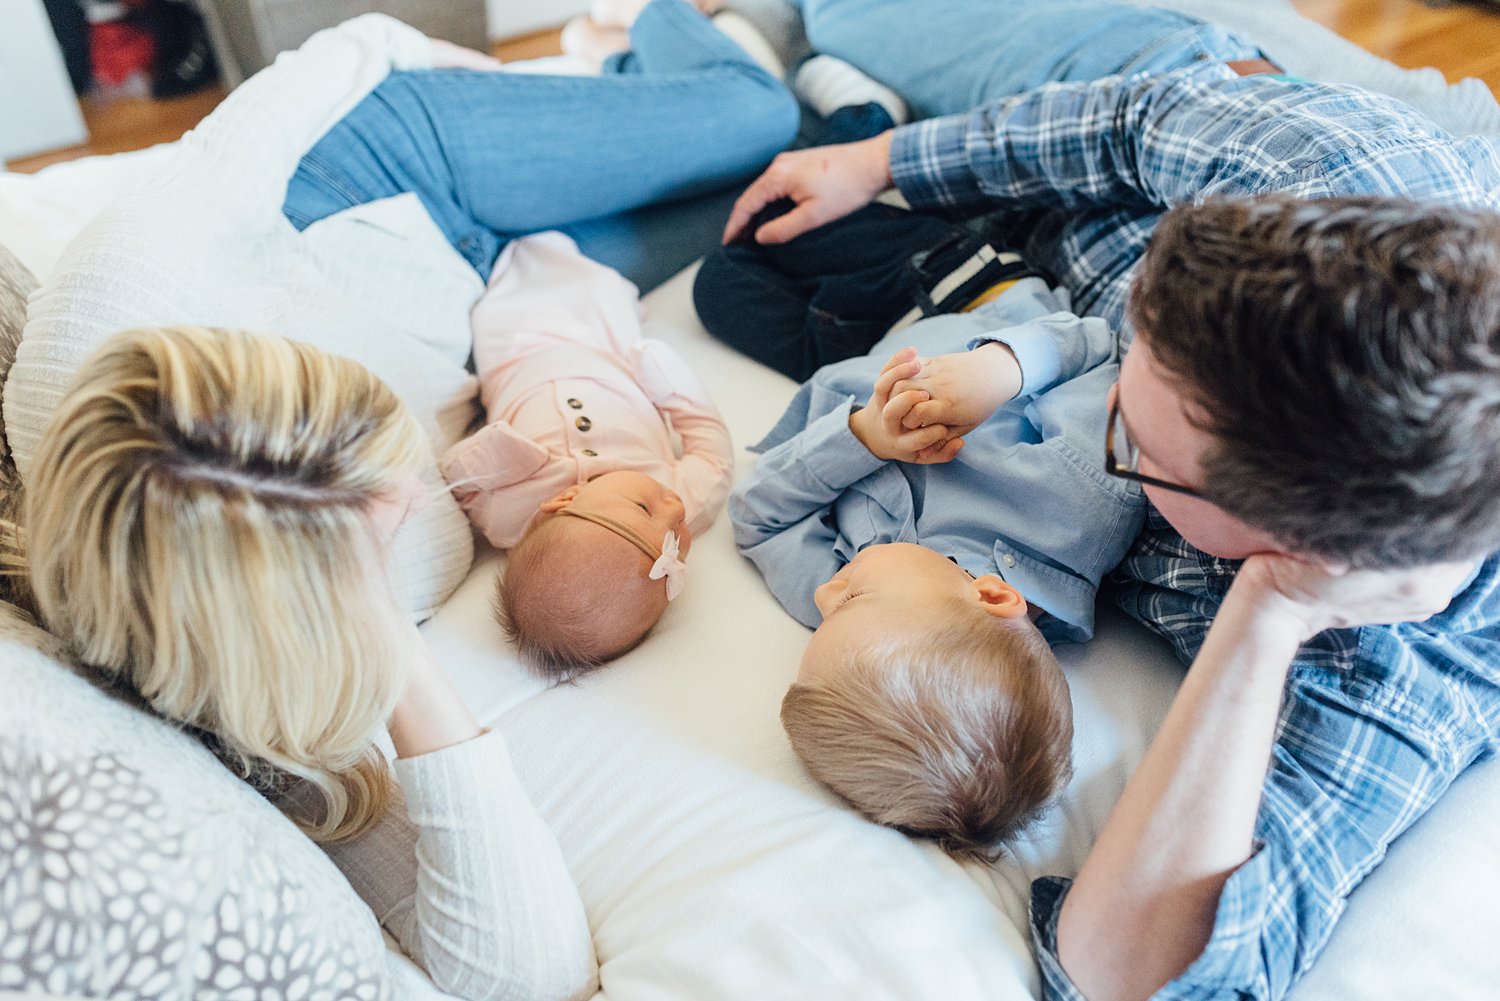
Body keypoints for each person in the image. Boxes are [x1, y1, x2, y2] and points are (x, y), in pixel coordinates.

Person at [721, 3, 1500, 1000]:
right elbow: (1131, 121)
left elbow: (1136, 976)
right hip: (1163, 89)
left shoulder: (1404, 647)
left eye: (1131, 438)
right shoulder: (1326, 181)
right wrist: (882, 164)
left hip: (1012, 264)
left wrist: (1270, 617)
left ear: (1296, 542)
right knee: (837, 14)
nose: (1105, 391)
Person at [21, 325, 598, 1000]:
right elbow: (534, 974)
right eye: (384, 539)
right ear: (289, 634)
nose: (417, 499)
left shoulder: (167, 443)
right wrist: (384, 627)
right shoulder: (253, 747)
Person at [729, 277, 1142, 858]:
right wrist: (996, 372)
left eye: (823, 621)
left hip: (844, 372)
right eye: (850, 601)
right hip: (962, 293)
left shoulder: (848, 622)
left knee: (724, 286)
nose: (824, 595)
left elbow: (756, 517)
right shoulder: (1079, 505)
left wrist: (864, 438)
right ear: (995, 597)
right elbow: (1101, 348)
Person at [440, 231, 733, 676]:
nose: (673, 511)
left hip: (515, 360)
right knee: (604, 291)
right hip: (608, 353)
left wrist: (501, 455)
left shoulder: (507, 516)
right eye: (679, 542)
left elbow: (456, 480)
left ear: (562, 503)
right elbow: (711, 449)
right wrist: (674, 390)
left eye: (643, 507)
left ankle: (506, 243)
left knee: (501, 305)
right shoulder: (684, 502)